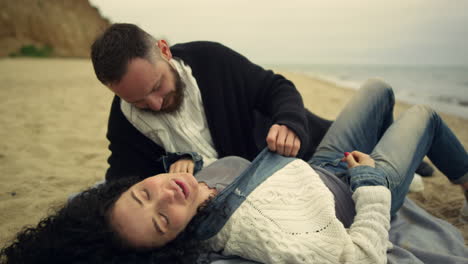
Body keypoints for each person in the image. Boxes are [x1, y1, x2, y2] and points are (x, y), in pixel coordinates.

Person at [1, 79, 466, 263]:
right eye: (162, 220)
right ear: (172, 241)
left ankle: (399, 157)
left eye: (144, 194)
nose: (167, 195)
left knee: (380, 91)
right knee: (423, 114)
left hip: (319, 165)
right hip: (356, 184)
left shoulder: (195, 188)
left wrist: (192, 169)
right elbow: (361, 258)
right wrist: (371, 186)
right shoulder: (262, 235)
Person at [90, 23, 333, 181]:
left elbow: (276, 88)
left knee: (373, 93)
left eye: (157, 87)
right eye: (138, 101)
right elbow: (124, 183)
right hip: (287, 186)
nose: (154, 104)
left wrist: (289, 122)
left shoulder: (211, 59)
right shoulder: (124, 121)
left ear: (164, 51)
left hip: (321, 147)